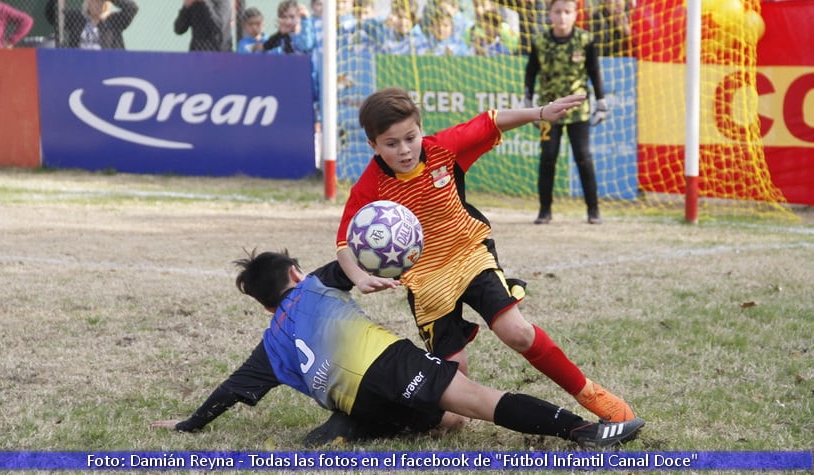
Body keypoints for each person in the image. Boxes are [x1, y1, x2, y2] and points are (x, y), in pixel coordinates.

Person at [334, 87, 635, 424]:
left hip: (469, 255)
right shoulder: (370, 187)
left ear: (420, 128)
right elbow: (344, 242)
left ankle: (588, 392)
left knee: (516, 332)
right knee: (454, 392)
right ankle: (393, 417)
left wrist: (540, 112)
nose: (404, 150)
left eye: (410, 137)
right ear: (373, 146)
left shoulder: (442, 149)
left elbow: (491, 122)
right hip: (427, 282)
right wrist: (360, 278)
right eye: (391, 144)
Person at [151, 249, 645, 449]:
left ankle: (356, 424)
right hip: (387, 363)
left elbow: (230, 391)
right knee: (477, 402)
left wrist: (187, 424)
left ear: (264, 306)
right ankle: (582, 430)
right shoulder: (316, 285)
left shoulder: (269, 348)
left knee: (447, 422)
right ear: (295, 275)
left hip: (355, 396)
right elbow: (372, 260)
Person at [524, 0, 608, 224]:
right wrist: (528, 101)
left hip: (578, 111)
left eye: (567, 12)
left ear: (575, 15)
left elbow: (594, 71)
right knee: (548, 157)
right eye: (557, 12)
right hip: (547, 111)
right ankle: (544, 211)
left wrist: (601, 102)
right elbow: (531, 72)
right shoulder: (540, 41)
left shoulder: (585, 40)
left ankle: (593, 210)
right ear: (550, 15)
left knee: (583, 157)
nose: (562, 16)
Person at [45, 0, 138, 50]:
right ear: (89, 3)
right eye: (96, 1)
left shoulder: (112, 21)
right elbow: (52, 16)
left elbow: (132, 8)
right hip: (80, 62)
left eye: (102, 1)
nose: (99, 4)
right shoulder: (77, 18)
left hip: (105, 63)